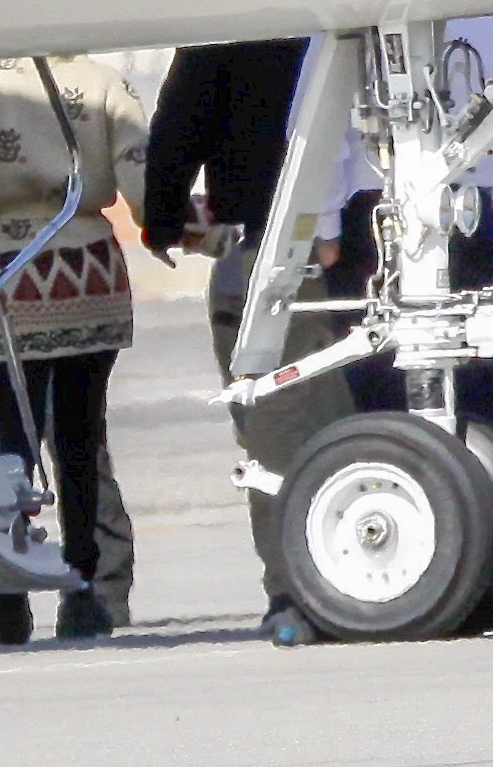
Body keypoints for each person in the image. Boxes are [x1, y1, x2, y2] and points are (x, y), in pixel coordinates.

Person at [0, 55, 146, 641]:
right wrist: (176, 229)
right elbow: (141, 176)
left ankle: (12, 595)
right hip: (90, 270)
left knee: (8, 441)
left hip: (11, 276)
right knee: (80, 439)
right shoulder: (103, 82)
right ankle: (85, 592)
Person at [143, 40, 356, 633]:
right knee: (309, 423)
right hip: (346, 245)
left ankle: (297, 591)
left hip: (268, 253)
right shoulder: (339, 11)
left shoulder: (233, 20)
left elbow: (180, 121)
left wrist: (162, 215)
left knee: (273, 430)